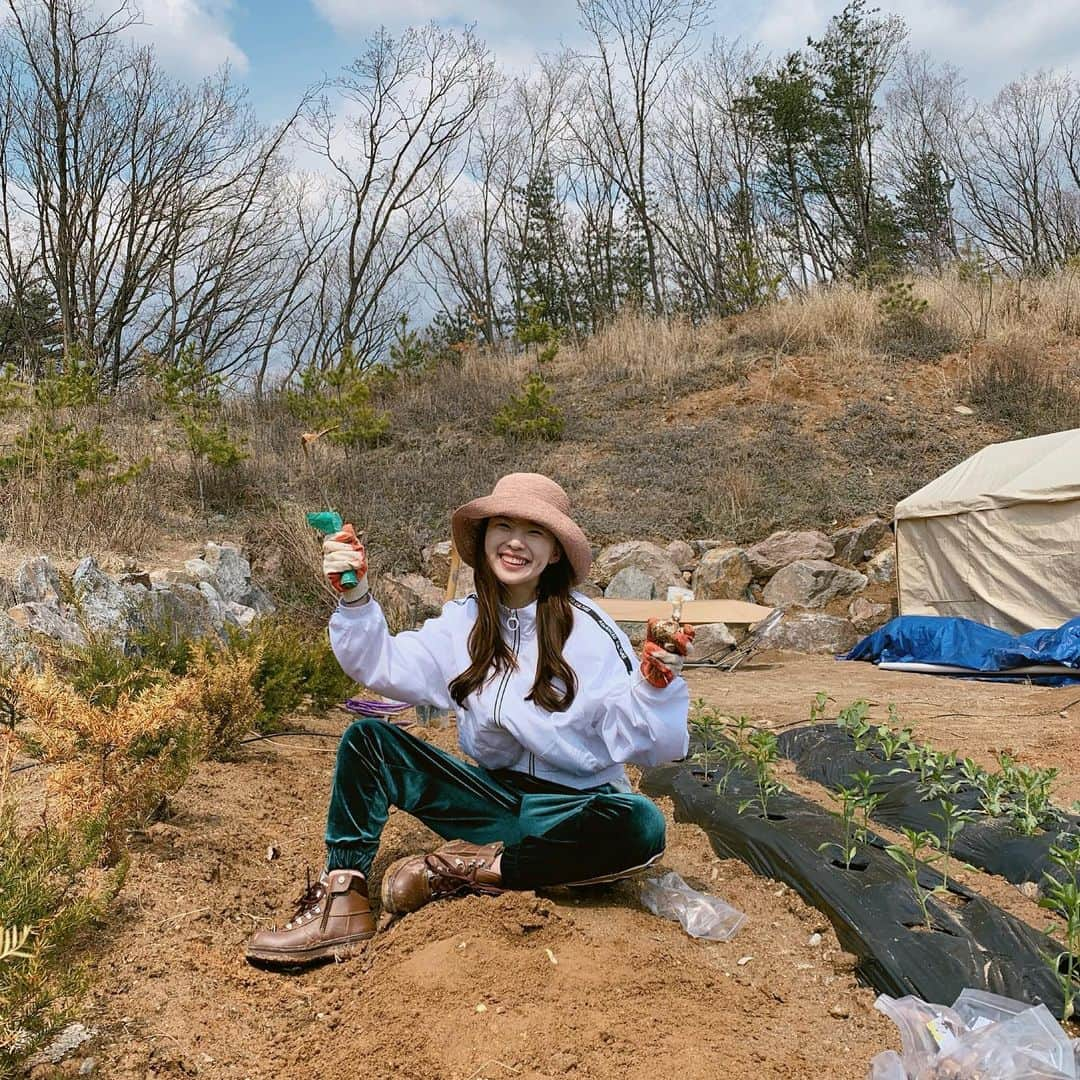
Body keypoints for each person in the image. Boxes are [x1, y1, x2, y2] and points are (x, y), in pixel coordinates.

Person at [245, 473, 694, 968]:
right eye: (503, 525)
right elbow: (384, 664)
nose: (516, 542)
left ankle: (474, 870)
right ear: (484, 538)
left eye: (535, 531)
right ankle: (344, 900)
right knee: (367, 740)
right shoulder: (463, 623)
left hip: (572, 811)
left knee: (642, 824)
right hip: (493, 802)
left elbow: (658, 747)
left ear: (556, 553)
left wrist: (656, 688)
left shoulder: (589, 633)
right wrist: (355, 600)